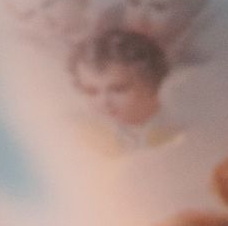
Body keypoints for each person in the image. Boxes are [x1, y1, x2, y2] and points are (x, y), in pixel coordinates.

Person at [69, 27, 181, 157]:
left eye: (118, 89)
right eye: (92, 91)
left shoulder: (176, 131)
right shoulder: (87, 135)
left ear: (150, 83)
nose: (104, 102)